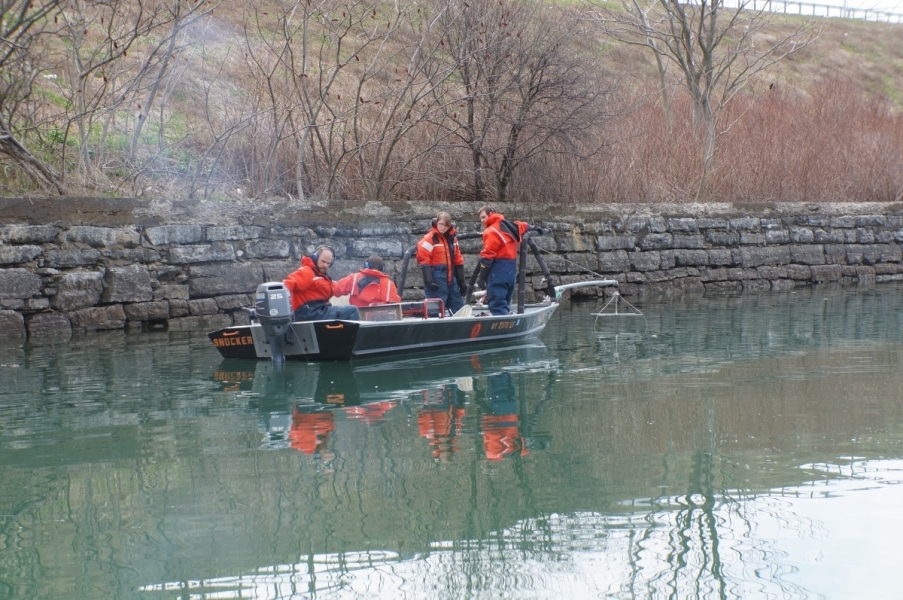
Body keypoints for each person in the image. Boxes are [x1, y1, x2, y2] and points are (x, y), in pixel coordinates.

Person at [476, 205, 531, 316]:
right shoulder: (510, 226)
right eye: (480, 218)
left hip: (498, 270)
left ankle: (502, 326)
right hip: (510, 270)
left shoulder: (490, 232)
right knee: (505, 301)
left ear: (490, 214)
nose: (482, 221)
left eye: (483, 217)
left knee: (496, 303)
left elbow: (487, 257)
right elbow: (524, 226)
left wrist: (481, 278)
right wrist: (540, 230)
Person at [283, 245, 360, 321]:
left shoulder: (320, 276)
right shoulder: (307, 272)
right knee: (352, 311)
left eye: (328, 263)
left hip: (317, 311)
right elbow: (287, 285)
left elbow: (334, 288)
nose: (325, 265)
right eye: (323, 261)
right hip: (309, 312)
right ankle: (354, 334)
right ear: (315, 258)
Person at [416, 211, 466, 315]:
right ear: (436, 222)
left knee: (459, 308)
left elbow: (458, 260)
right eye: (441, 224)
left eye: (446, 225)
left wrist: (461, 282)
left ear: (449, 226)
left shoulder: (453, 240)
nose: (443, 227)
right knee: (434, 311)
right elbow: (424, 259)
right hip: (437, 277)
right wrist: (428, 280)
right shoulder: (429, 239)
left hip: (451, 277)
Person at [332, 255, 401, 307]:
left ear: (366, 265)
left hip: (357, 321)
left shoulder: (353, 278)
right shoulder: (389, 284)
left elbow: (334, 289)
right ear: (383, 269)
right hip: (380, 322)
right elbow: (396, 306)